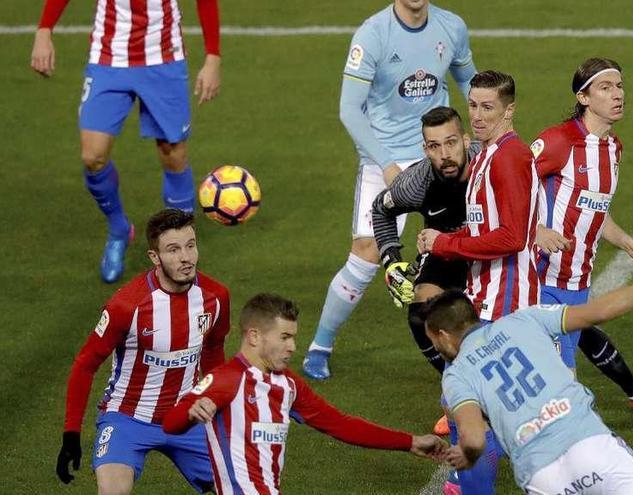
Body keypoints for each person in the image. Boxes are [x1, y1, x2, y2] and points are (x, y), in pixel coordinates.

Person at [425, 242, 633, 494]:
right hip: (591, 446)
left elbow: (473, 439)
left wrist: (467, 455)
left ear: (443, 334)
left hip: (542, 476)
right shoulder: (525, 319)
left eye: (432, 339)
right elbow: (599, 312)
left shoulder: (455, 375)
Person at [303, 0, 478, 380]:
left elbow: (469, 80)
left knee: (475, 238)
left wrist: (485, 133)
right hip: (384, 156)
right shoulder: (373, 34)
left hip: (440, 153)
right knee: (366, 254)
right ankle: (321, 344)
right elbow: (350, 109)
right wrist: (385, 164)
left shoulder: (452, 27)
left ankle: (478, 338)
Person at [163, 293, 446, 494]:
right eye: (284, 337)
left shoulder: (289, 385)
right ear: (254, 337)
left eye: (294, 337)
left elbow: (340, 424)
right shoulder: (226, 380)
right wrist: (191, 412)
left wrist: (409, 442)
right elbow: (171, 423)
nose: (292, 347)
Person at [30, 0, 221, 284]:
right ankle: (119, 228)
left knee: (173, 154)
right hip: (109, 57)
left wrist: (213, 57)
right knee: (92, 156)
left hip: (163, 57)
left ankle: (181, 247)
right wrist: (44, 30)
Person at [531, 57, 633, 426]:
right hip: (539, 278)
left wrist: (627, 243)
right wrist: (537, 233)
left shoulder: (613, 149)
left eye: (619, 86)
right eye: (605, 88)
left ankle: (464, 410)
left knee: (550, 373)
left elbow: (595, 209)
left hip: (576, 280)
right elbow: (508, 186)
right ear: (583, 97)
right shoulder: (558, 141)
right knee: (562, 385)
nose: (617, 95)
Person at [417, 70, 538, 495]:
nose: (479, 115)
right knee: (466, 408)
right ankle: (466, 484)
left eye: (488, 107)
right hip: (482, 300)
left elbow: (513, 236)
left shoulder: (509, 156)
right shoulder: (485, 153)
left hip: (504, 306)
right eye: (473, 105)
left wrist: (447, 244)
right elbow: (486, 226)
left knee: (475, 414)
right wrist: (440, 241)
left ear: (509, 110)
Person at [55, 209, 230, 494]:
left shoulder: (216, 298)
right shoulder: (126, 305)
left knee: (243, 486)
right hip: (127, 419)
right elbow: (86, 364)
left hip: (188, 418)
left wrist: (216, 404)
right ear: (154, 257)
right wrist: (71, 433)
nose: (186, 257)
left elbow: (213, 349)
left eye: (190, 245)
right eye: (173, 249)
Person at [372, 106, 479, 374]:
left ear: (466, 141)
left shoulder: (490, 164)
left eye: (451, 143)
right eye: (434, 146)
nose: (445, 155)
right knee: (422, 311)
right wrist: (391, 261)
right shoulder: (415, 183)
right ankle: (456, 378)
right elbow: (380, 210)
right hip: (445, 251)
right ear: (425, 149)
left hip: (492, 248)